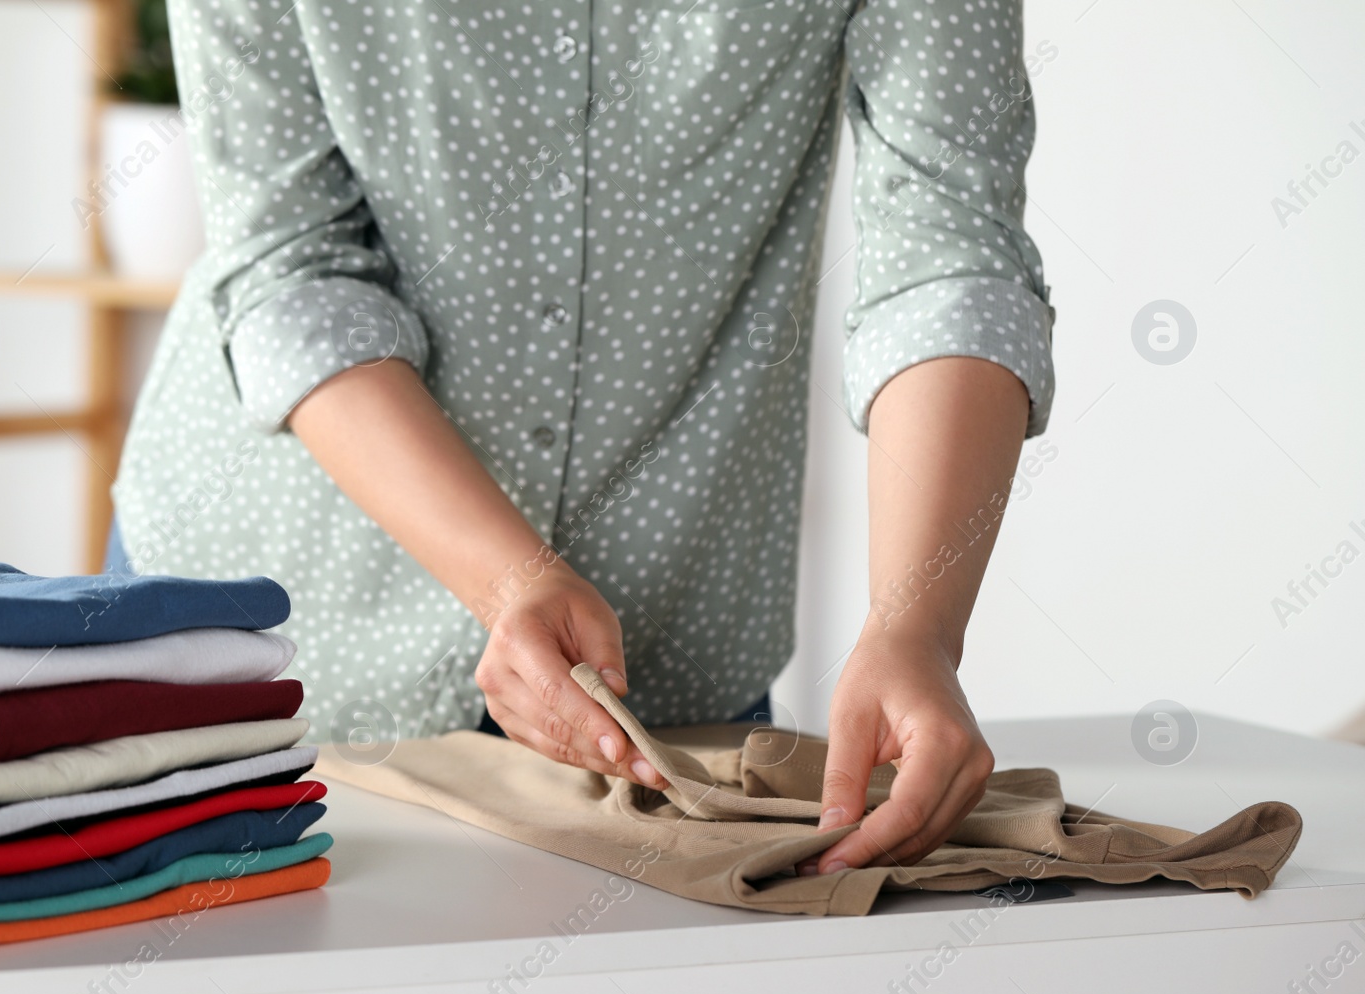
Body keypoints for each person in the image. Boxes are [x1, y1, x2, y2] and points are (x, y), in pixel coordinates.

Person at [111, 0, 1057, 874]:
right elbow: (291, 261)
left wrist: (917, 624)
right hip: (269, 629)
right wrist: (510, 579)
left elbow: (951, 250)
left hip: (663, 664)